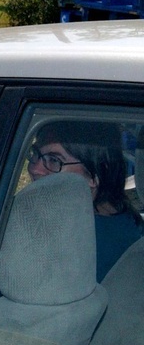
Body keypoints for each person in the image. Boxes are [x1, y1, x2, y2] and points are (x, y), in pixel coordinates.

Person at [27, 120, 144, 282]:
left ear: (94, 175)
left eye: (54, 160)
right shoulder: (125, 223)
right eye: (35, 154)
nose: (34, 169)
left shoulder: (73, 242)